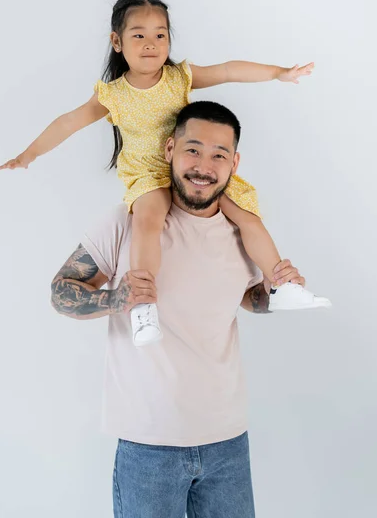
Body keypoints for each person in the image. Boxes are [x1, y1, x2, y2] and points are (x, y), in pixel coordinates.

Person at [1, 0, 330, 347]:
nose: (151, 43)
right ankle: (143, 304)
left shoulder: (179, 77)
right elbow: (67, 123)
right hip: (148, 174)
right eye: (138, 35)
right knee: (147, 221)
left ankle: (282, 284)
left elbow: (228, 70)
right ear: (117, 41)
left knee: (248, 216)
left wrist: (278, 73)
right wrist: (29, 154)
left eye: (160, 35)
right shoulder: (112, 94)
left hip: (190, 169)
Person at [51, 101, 311, 517]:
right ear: (169, 149)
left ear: (234, 163)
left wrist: (276, 290)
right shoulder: (127, 221)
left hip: (228, 442)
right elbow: (61, 291)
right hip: (148, 447)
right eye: (193, 149)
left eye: (218, 155)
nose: (203, 165)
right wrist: (115, 299)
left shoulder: (241, 229)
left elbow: (250, 300)